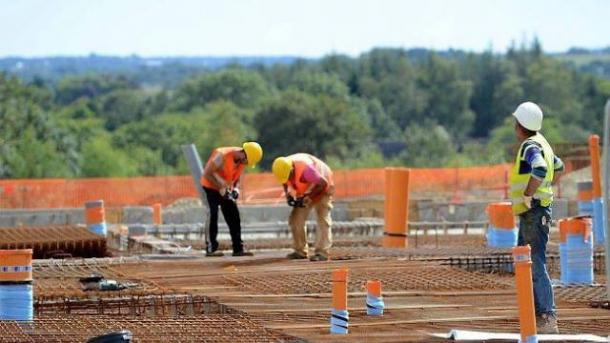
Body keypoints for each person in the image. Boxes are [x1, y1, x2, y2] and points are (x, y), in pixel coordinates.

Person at [510, 102, 564, 334]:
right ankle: (534, 314)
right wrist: (546, 191)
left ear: (520, 126)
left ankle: (546, 315)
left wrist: (529, 193)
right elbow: (558, 166)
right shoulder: (543, 143)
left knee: (534, 262)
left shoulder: (530, 145)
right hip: (535, 211)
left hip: (534, 211)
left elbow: (540, 169)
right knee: (525, 261)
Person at [200, 142, 262, 257]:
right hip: (210, 187)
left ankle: (238, 248)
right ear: (244, 154)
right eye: (247, 161)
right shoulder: (221, 155)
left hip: (225, 188)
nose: (247, 164)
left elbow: (237, 178)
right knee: (213, 213)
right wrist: (220, 186)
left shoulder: (242, 161)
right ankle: (211, 248)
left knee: (234, 215)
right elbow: (207, 173)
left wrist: (236, 189)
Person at [272, 153, 334, 261]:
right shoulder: (283, 168)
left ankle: (322, 252)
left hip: (323, 186)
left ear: (292, 170)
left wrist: (309, 196)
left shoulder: (307, 170)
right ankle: (300, 251)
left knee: (323, 219)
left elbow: (323, 183)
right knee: (295, 219)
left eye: (289, 176)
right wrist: (288, 194)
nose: (288, 178)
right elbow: (284, 181)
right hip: (308, 189)